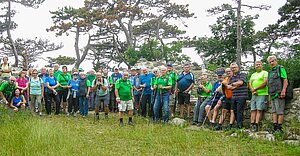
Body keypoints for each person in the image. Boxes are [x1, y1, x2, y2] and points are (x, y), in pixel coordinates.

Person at [267, 55, 288, 133]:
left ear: (276, 61)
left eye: (273, 61)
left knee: (280, 111)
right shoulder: (270, 72)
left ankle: (279, 128)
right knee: (274, 111)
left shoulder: (280, 68)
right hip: (272, 94)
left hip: (279, 93)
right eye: (270, 62)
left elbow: (285, 80)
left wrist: (283, 90)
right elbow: (269, 84)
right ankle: (275, 127)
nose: (272, 63)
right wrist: (269, 96)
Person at [227, 63, 248, 129]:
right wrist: (236, 85)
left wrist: (233, 84)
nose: (233, 69)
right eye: (232, 68)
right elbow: (229, 87)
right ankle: (238, 124)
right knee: (234, 111)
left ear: (238, 67)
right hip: (234, 96)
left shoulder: (242, 74)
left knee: (240, 111)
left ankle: (239, 126)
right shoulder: (231, 78)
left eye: (234, 67)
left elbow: (241, 82)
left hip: (241, 95)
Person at [249, 61, 268, 132]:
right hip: (254, 94)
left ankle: (256, 125)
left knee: (259, 109)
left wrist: (255, 89)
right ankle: (252, 124)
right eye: (256, 65)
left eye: (259, 64)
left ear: (262, 65)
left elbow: (265, 82)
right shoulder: (253, 74)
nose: (258, 66)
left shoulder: (265, 73)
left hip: (262, 93)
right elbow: (250, 83)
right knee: (253, 109)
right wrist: (253, 90)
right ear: (254, 66)